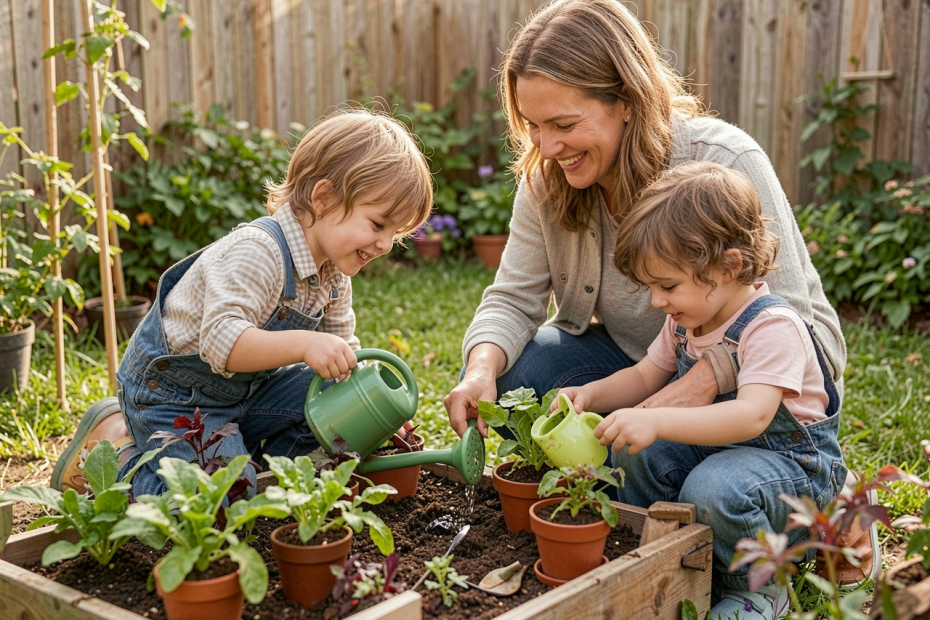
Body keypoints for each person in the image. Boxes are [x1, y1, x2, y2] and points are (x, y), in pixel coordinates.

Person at [441, 0, 873, 609]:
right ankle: (649, 537)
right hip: (650, 366)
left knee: (710, 483)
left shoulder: (722, 163)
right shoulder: (547, 179)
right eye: (532, 126)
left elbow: (807, 334)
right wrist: (481, 371)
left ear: (625, 100)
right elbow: (512, 300)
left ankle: (811, 514)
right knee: (523, 371)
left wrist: (693, 386)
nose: (546, 145)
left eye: (563, 124)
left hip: (762, 402)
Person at [52, 110, 433, 499]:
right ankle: (114, 462)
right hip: (173, 397)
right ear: (324, 198)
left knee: (331, 413)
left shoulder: (335, 276)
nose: (386, 245)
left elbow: (342, 362)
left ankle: (265, 481)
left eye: (397, 234)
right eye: (378, 225)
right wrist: (305, 344)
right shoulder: (257, 251)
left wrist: (367, 407)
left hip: (243, 394)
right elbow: (222, 342)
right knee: (223, 499)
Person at [554, 161, 844, 619]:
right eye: (650, 287)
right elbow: (645, 376)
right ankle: (666, 552)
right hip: (726, 451)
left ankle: (763, 583)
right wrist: (590, 394)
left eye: (667, 285)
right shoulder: (685, 319)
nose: (657, 301)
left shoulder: (772, 327)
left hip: (792, 471)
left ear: (729, 266)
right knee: (636, 452)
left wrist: (656, 419)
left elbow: (751, 417)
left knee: (713, 487)